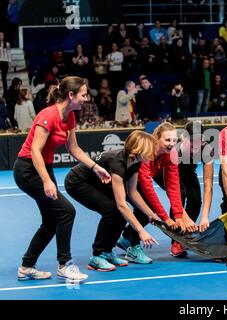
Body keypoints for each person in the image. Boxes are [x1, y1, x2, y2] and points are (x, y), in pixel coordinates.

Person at [13, 76, 110, 282]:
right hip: (28, 169)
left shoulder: (70, 117)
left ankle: (26, 266)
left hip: (43, 169)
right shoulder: (48, 115)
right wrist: (47, 180)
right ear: (71, 95)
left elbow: (74, 149)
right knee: (66, 212)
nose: (86, 98)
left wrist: (95, 167)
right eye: (83, 95)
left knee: (51, 220)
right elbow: (36, 152)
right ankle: (65, 265)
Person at [65, 130, 160, 271]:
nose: (153, 154)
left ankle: (107, 252)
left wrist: (149, 213)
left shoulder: (136, 161)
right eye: (150, 150)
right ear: (138, 149)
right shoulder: (118, 162)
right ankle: (96, 256)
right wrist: (141, 231)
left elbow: (132, 192)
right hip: (77, 182)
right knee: (110, 210)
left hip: (97, 182)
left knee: (119, 212)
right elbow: (122, 205)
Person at [117, 122, 197, 260]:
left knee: (147, 212)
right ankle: (133, 247)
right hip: (122, 180)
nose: (172, 143)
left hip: (136, 182)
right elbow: (147, 187)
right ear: (156, 138)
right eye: (167, 140)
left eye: (174, 140)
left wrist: (178, 215)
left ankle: (126, 238)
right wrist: (165, 218)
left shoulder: (171, 154)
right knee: (144, 211)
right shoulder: (146, 151)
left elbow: (173, 185)